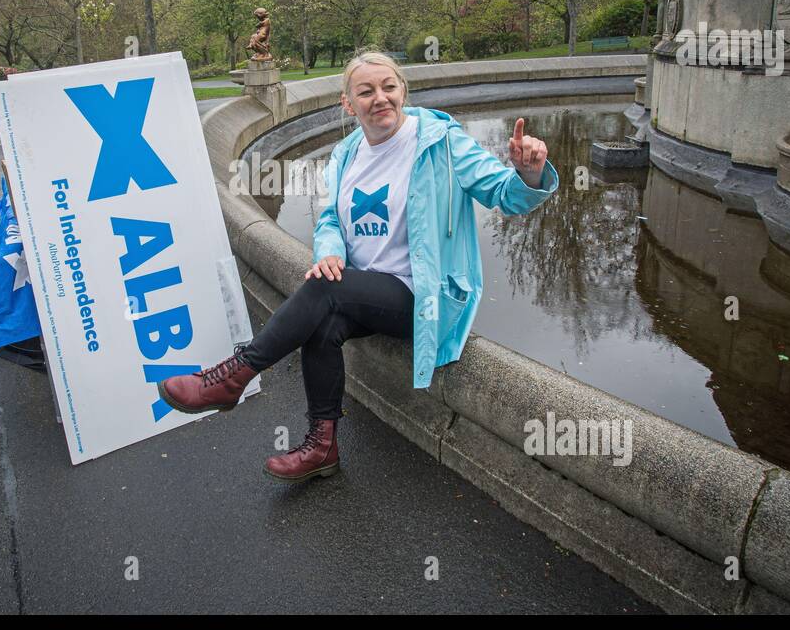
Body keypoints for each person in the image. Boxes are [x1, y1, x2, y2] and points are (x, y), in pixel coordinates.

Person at [159, 49, 559, 483]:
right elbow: (330, 217)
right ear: (348, 104)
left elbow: (505, 193)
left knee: (324, 292)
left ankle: (236, 374)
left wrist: (527, 173)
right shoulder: (346, 153)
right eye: (366, 91)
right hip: (366, 289)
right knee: (323, 319)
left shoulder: (441, 143)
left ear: (403, 91)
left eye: (389, 87)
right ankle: (322, 445)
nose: (380, 98)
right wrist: (328, 251)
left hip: (421, 295)